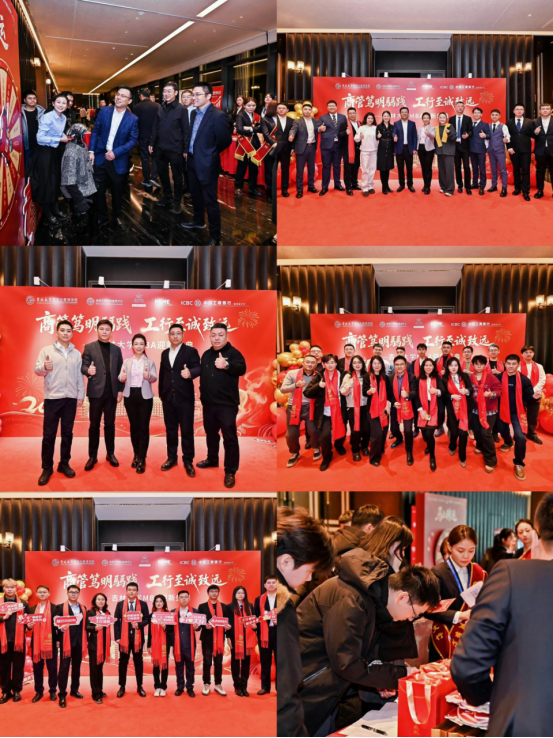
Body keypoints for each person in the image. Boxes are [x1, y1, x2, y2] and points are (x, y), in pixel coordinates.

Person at [297, 552, 440, 736]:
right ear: (402, 598)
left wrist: (380, 681)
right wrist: (402, 674)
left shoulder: (371, 599)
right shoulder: (352, 600)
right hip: (308, 683)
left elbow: (361, 654)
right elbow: (347, 663)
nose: (410, 619)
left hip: (323, 683)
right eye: (414, 613)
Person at [451, 493, 553, 737]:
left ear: (537, 532)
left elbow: (468, 665)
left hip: (524, 723)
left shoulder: (512, 574)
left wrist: (491, 697)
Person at [276, 506, 334, 738]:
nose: (310, 578)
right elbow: (285, 692)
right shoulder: (280, 607)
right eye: (310, 570)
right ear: (286, 562)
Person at [34, 320, 85, 486]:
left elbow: (79, 376)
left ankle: (64, 463)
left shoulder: (76, 353)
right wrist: (44, 367)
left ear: (72, 333)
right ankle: (47, 467)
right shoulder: (47, 350)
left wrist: (80, 394)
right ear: (57, 332)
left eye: (69, 331)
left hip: (70, 398)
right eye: (62, 330)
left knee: (67, 433)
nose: (65, 333)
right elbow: (37, 369)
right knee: (49, 435)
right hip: (53, 398)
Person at [182, 83, 233, 246]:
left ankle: (215, 236)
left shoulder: (218, 115)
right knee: (195, 194)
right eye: (193, 94)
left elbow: (225, 140)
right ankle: (198, 220)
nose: (193, 98)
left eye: (197, 94)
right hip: (191, 161)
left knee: (210, 200)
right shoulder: (193, 113)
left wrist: (209, 153)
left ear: (209, 96)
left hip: (207, 163)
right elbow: (192, 136)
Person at [426, 525, 486, 661]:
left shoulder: (479, 572)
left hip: (472, 639)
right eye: (460, 550)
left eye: (471, 551)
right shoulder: (437, 572)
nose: (466, 556)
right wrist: (460, 615)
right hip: (445, 637)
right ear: (449, 546)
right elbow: (428, 610)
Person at [198, 323, 246, 488]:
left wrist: (227, 365)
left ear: (226, 336)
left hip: (227, 405)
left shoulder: (233, 353)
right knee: (211, 434)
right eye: (213, 335)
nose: (217, 338)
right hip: (209, 404)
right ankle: (212, 459)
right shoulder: (206, 354)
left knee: (229, 437)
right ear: (210, 337)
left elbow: (241, 368)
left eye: (220, 335)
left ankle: (230, 471)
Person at [89, 85, 138, 231]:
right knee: (99, 190)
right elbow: (96, 131)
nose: (119, 97)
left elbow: (132, 140)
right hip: (100, 156)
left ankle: (116, 216)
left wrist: (116, 152)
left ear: (129, 101)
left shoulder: (133, 119)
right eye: (118, 94)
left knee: (117, 191)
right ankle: (102, 217)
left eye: (123, 96)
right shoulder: (104, 111)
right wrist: (91, 150)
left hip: (118, 159)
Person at [158, 323, 201, 478]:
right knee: (170, 430)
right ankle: (172, 458)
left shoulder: (190, 351)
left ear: (183, 335)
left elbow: (198, 368)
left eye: (178, 333)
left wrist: (190, 373)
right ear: (169, 336)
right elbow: (162, 374)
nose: (175, 336)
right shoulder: (164, 353)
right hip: (168, 398)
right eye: (172, 333)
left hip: (185, 398)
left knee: (187, 430)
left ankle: (188, 460)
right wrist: (161, 394)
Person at [81, 319, 124, 472]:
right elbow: (83, 365)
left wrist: (120, 390)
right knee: (94, 426)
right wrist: (88, 371)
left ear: (111, 332)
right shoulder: (89, 347)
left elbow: (121, 371)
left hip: (111, 394)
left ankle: (110, 453)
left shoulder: (116, 350)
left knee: (110, 425)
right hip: (95, 393)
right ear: (97, 330)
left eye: (107, 329)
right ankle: (92, 456)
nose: (104, 332)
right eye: (102, 329)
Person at [30, 92, 71, 225]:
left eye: (64, 103)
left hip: (54, 152)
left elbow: (59, 132)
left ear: (67, 105)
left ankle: (55, 209)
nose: (61, 105)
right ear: (53, 103)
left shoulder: (63, 118)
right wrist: (60, 139)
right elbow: (40, 138)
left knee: (54, 182)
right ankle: (47, 213)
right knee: (46, 183)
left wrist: (66, 136)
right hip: (43, 153)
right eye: (58, 102)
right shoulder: (47, 117)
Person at [118, 333, 157, 474]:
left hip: (145, 396)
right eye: (136, 344)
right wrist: (121, 377)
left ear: (145, 345)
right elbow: (121, 376)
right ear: (132, 346)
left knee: (143, 427)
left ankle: (142, 458)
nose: (139, 346)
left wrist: (148, 376)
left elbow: (154, 378)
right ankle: (136, 454)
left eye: (141, 344)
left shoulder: (150, 362)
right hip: (130, 395)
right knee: (134, 427)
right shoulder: (127, 361)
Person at [149, 81, 188, 215]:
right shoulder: (160, 107)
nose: (166, 94)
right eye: (164, 91)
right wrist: (151, 143)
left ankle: (177, 202)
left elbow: (186, 131)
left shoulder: (182, 109)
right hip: (160, 147)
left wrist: (185, 149)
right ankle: (167, 197)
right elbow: (155, 127)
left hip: (175, 148)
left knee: (177, 177)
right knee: (163, 174)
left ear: (176, 93)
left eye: (169, 91)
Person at [304, 353, 346, 471]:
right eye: (327, 363)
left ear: (336, 363)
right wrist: (318, 386)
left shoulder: (343, 374)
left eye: (332, 362)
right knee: (324, 436)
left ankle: (338, 445)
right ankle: (327, 456)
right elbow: (307, 392)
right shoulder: (319, 375)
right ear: (323, 364)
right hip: (325, 412)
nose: (330, 365)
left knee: (341, 431)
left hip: (340, 410)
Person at [498, 354, 534, 481]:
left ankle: (519, 463)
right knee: (502, 431)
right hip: (502, 410)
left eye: (514, 364)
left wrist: (533, 397)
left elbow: (529, 396)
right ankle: (508, 442)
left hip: (517, 413)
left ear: (518, 365)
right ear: (505, 364)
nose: (511, 366)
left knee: (520, 437)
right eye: (508, 363)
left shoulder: (524, 380)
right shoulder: (499, 377)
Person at [282, 353, 320, 467]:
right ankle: (294, 453)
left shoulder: (318, 375)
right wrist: (296, 385)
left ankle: (316, 448)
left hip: (311, 406)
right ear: (303, 363)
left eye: (312, 363)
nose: (310, 364)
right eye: (307, 362)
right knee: (291, 434)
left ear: (316, 365)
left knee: (314, 431)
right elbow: (283, 389)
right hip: (294, 407)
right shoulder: (292, 373)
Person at [114, 581, 150, 698]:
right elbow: (116, 622)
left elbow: (147, 619)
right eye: (129, 589)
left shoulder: (143, 604)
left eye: (134, 590)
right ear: (126, 591)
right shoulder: (120, 604)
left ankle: (139, 686)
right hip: (123, 640)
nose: (131, 592)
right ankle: (122, 686)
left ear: (137, 591)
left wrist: (139, 625)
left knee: (138, 662)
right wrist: (117, 637)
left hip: (137, 639)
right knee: (123, 663)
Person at [56, 584, 87, 708]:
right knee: (64, 668)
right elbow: (55, 625)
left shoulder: (83, 608)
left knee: (76, 668)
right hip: (66, 642)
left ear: (79, 594)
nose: (73, 594)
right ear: (67, 593)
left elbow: (85, 625)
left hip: (79, 642)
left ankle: (74, 690)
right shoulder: (59, 607)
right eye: (71, 592)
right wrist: (60, 631)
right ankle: (62, 694)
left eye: (76, 592)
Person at [469, 355, 502, 473]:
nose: (479, 366)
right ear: (473, 365)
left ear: (484, 365)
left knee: (486, 433)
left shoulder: (491, 377)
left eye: (481, 364)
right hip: (475, 410)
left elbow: (499, 390)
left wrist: (492, 394)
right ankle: (479, 445)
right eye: (476, 364)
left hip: (489, 410)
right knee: (477, 431)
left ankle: (491, 460)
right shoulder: (470, 378)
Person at [0, 579, 30, 704]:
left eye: (12, 587)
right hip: (3, 641)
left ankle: (17, 690)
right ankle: (6, 692)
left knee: (18, 666)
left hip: (18, 641)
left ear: (16, 588)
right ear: (3, 588)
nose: (10, 589)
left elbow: (27, 620)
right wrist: (3, 618)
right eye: (7, 587)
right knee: (3, 667)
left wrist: (30, 624)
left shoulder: (23, 603)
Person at [198, 585, 231, 697]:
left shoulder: (224, 607)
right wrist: (204, 625)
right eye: (211, 591)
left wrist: (227, 626)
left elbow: (227, 621)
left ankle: (218, 684)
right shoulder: (202, 606)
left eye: (216, 591)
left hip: (220, 639)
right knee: (207, 662)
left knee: (218, 662)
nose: (214, 593)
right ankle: (206, 684)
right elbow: (200, 621)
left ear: (218, 593)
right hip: (207, 639)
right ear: (208, 593)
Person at [28, 585, 58, 703]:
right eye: (40, 592)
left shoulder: (55, 608)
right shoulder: (31, 609)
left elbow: (58, 626)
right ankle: (39, 691)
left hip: (50, 642)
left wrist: (59, 639)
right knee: (37, 669)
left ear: (49, 594)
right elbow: (27, 624)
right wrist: (28, 626)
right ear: (36, 594)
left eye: (44, 592)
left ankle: (52, 691)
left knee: (52, 669)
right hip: (36, 643)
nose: (42, 594)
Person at [226, 586, 257, 697]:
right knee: (235, 663)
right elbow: (227, 623)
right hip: (235, 638)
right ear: (235, 594)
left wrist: (255, 626)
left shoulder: (250, 606)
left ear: (245, 595)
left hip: (248, 638)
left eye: (242, 593)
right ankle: (237, 686)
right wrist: (228, 637)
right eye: (238, 593)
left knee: (246, 663)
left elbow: (253, 621)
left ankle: (244, 686)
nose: (240, 595)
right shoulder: (229, 607)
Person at [363, 356, 393, 467]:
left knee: (384, 431)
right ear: (371, 365)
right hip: (372, 409)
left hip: (384, 409)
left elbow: (390, 394)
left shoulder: (385, 377)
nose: (376, 365)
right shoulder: (367, 377)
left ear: (382, 365)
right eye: (374, 363)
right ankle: (374, 457)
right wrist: (369, 391)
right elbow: (364, 392)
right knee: (377, 433)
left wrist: (388, 404)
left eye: (379, 363)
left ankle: (380, 449)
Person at [442, 357, 472, 468]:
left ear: (459, 366)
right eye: (451, 365)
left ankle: (462, 457)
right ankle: (452, 445)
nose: (453, 367)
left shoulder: (464, 376)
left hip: (464, 408)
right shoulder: (444, 378)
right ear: (448, 367)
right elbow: (443, 394)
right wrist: (451, 396)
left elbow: (471, 388)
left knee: (463, 433)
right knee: (454, 432)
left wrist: (466, 390)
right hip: (451, 409)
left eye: (455, 365)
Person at [416, 358, 445, 472]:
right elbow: (416, 396)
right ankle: (428, 444)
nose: (428, 367)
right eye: (426, 365)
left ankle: (432, 457)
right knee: (424, 434)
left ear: (433, 367)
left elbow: (443, 391)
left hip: (434, 408)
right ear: (423, 367)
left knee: (429, 433)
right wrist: (420, 410)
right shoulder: (418, 379)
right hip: (423, 409)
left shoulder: (437, 378)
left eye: (430, 365)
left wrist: (436, 391)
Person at [289, 103, 323, 198]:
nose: (307, 111)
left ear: (311, 111)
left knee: (311, 169)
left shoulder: (315, 121)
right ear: (302, 111)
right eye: (305, 109)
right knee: (300, 170)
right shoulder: (297, 121)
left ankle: (311, 187)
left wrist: (320, 129)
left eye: (309, 109)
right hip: (301, 148)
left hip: (312, 147)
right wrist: (291, 135)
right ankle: (299, 190)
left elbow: (319, 129)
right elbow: (293, 129)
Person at [170, 590, 200, 697]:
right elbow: (170, 629)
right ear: (178, 599)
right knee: (178, 667)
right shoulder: (173, 612)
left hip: (190, 645)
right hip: (177, 645)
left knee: (190, 668)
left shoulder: (195, 611)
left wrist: (197, 627)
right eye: (181, 597)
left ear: (189, 598)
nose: (183, 599)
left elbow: (199, 627)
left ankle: (190, 688)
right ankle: (180, 687)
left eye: (185, 597)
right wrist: (165, 626)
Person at [389, 355, 418, 466]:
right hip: (396, 406)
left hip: (408, 406)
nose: (399, 366)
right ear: (394, 365)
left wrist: (408, 394)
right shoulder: (390, 378)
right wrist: (393, 402)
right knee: (394, 429)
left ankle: (409, 450)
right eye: (397, 364)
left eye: (401, 364)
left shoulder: (411, 377)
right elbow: (389, 394)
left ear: (406, 365)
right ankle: (399, 438)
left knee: (408, 431)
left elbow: (415, 392)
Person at [340, 355, 369, 461]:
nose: (357, 364)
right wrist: (350, 383)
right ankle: (355, 450)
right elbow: (343, 392)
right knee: (356, 430)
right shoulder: (347, 376)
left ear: (363, 364)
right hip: (352, 408)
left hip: (365, 407)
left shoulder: (366, 375)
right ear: (351, 365)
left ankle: (364, 446)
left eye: (359, 362)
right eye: (355, 362)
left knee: (366, 429)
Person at [85, 592, 112, 704]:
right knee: (94, 670)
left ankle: (100, 690)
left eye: (103, 599)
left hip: (104, 645)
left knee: (100, 669)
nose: (101, 601)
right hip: (94, 646)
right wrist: (95, 628)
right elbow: (87, 627)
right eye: (98, 599)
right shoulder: (90, 612)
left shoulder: (107, 613)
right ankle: (95, 694)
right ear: (94, 601)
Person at [234, 96, 263, 198]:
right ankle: (238, 187)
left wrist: (249, 128)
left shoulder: (257, 116)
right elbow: (239, 130)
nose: (251, 107)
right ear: (244, 105)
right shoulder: (240, 115)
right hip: (243, 144)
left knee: (254, 168)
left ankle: (252, 188)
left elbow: (261, 129)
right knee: (241, 167)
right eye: (249, 105)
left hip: (255, 144)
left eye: (253, 105)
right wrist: (253, 129)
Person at [317, 100, 347, 196]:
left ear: (336, 107)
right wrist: (319, 129)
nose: (331, 107)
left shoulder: (342, 117)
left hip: (339, 145)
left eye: (333, 106)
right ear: (327, 107)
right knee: (326, 167)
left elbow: (345, 129)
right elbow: (317, 128)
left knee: (337, 166)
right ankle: (324, 187)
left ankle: (337, 184)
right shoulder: (323, 117)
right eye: (329, 106)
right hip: (326, 146)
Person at [133, 87, 160, 189]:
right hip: (155, 136)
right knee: (155, 157)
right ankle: (154, 177)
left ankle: (147, 179)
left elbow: (135, 124)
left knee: (145, 158)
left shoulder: (137, 107)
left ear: (141, 96)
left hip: (143, 136)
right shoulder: (157, 106)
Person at [255, 577, 277, 696]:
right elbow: (256, 617)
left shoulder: (284, 598)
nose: (271, 584)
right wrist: (255, 625)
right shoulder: (259, 599)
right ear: (265, 585)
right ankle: (265, 687)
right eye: (269, 583)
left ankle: (281, 688)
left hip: (279, 633)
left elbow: (290, 616)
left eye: (273, 582)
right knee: (265, 661)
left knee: (281, 662)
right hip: (264, 634)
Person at [506, 103, 533, 201]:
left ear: (524, 111)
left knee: (526, 170)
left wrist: (536, 133)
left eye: (521, 109)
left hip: (526, 150)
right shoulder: (509, 122)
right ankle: (517, 188)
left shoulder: (529, 122)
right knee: (516, 170)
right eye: (517, 109)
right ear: (513, 111)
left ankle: (525, 191)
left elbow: (533, 135)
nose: (519, 111)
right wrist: (509, 147)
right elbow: (507, 136)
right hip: (514, 150)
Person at [519, 345, 546, 445]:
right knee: (520, 415)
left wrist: (533, 391)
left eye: (530, 352)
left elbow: (542, 380)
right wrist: (528, 392)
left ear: (533, 354)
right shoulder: (517, 366)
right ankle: (520, 434)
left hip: (536, 394)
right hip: (521, 395)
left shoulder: (539, 366)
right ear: (522, 354)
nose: (528, 354)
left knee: (533, 416)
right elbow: (517, 380)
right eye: (526, 352)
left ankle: (531, 434)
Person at [148, 594, 170, 697]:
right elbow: (149, 632)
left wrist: (165, 627)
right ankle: (157, 686)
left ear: (164, 603)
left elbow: (171, 630)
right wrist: (149, 645)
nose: (159, 603)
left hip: (165, 643)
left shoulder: (168, 615)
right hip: (154, 644)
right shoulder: (151, 615)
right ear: (154, 603)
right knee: (156, 665)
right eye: (157, 601)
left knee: (164, 664)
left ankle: (163, 687)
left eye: (161, 601)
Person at [449, 100, 473, 195]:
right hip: (455, 147)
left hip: (465, 147)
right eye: (458, 106)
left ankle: (468, 186)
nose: (460, 108)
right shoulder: (451, 119)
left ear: (464, 108)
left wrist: (468, 134)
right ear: (455, 107)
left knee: (466, 167)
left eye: (461, 106)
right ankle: (460, 185)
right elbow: (449, 131)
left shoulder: (468, 119)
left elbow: (471, 131)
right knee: (457, 167)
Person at [392, 106, 417, 192]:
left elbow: (414, 136)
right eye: (403, 112)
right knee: (400, 168)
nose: (404, 113)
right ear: (400, 114)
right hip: (399, 149)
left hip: (409, 149)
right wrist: (394, 136)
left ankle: (410, 185)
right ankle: (401, 185)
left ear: (408, 113)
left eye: (406, 112)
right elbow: (394, 132)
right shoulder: (396, 123)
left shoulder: (412, 123)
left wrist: (414, 148)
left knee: (409, 168)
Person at [22, 89, 45, 176]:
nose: (32, 100)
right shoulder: (19, 112)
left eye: (34, 98)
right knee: (27, 167)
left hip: (39, 144)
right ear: (25, 100)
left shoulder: (42, 112)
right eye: (30, 98)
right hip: (25, 144)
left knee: (39, 167)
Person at [355, 112, 379, 196]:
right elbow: (356, 139)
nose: (370, 120)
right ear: (365, 119)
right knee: (365, 170)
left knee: (372, 169)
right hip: (364, 151)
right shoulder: (361, 128)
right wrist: (360, 137)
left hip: (374, 151)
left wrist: (379, 137)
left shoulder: (376, 128)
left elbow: (378, 138)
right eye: (369, 118)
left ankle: (370, 186)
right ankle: (364, 187)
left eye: (372, 118)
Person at [487, 109, 510, 197]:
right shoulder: (488, 126)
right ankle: (494, 186)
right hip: (491, 151)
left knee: (502, 170)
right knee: (493, 169)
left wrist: (506, 139)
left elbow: (507, 135)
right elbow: (486, 139)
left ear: (499, 116)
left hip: (500, 151)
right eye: (493, 115)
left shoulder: (503, 126)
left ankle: (504, 188)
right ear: (490, 116)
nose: (494, 116)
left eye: (496, 115)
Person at [532, 102, 553, 199]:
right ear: (540, 111)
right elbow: (531, 135)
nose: (545, 110)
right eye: (543, 109)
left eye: (547, 109)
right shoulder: (534, 122)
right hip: (540, 150)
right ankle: (540, 191)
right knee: (540, 171)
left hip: (552, 150)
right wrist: (535, 133)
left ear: (551, 110)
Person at [434, 111, 457, 196]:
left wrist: (449, 133)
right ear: (438, 118)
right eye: (440, 117)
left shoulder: (450, 126)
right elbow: (435, 141)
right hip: (440, 152)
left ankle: (450, 190)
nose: (442, 119)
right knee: (442, 171)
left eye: (444, 117)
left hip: (449, 152)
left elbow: (454, 137)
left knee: (449, 171)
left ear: (446, 118)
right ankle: (443, 187)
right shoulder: (436, 128)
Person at [274, 101, 294, 197]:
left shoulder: (292, 121)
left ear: (287, 110)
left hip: (286, 148)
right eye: (279, 108)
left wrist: (293, 147)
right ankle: (271, 189)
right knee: (272, 170)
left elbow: (294, 135)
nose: (281, 110)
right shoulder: (272, 120)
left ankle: (284, 189)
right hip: (274, 148)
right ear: (276, 110)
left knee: (285, 170)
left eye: (283, 108)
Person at [260, 101, 279, 203]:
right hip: (270, 148)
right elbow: (266, 134)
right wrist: (273, 143)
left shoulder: (282, 118)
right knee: (270, 171)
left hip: (281, 147)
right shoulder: (265, 119)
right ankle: (270, 193)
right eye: (278, 108)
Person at [469, 106, 490, 195]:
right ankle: (474, 184)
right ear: (473, 114)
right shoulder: (470, 124)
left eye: (478, 112)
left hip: (481, 149)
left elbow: (489, 135)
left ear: (481, 114)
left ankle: (482, 186)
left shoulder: (485, 124)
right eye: (475, 112)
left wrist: (485, 135)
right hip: (471, 149)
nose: (476, 114)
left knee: (482, 169)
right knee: (474, 168)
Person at [376, 110, 395, 194]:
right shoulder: (379, 126)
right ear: (382, 117)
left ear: (390, 117)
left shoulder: (392, 127)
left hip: (390, 148)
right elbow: (376, 137)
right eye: (385, 116)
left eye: (387, 116)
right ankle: (383, 187)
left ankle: (387, 186)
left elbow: (394, 137)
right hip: (382, 149)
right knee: (382, 168)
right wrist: (378, 136)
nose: (386, 117)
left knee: (387, 168)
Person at [343, 107, 362, 194]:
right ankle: (348, 186)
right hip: (348, 150)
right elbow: (339, 134)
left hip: (358, 150)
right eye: (350, 113)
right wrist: (345, 133)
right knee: (348, 169)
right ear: (347, 114)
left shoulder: (360, 123)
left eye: (353, 113)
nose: (352, 115)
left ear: (356, 114)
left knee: (356, 168)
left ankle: (354, 183)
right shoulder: (344, 124)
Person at [417, 112, 435, 194]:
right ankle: (425, 185)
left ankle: (428, 187)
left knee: (428, 168)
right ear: (422, 119)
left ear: (430, 119)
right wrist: (416, 148)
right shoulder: (419, 128)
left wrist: (429, 134)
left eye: (427, 118)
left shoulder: (432, 128)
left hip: (429, 149)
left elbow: (433, 137)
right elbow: (417, 139)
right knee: (423, 168)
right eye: (424, 118)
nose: (426, 119)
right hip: (420, 148)